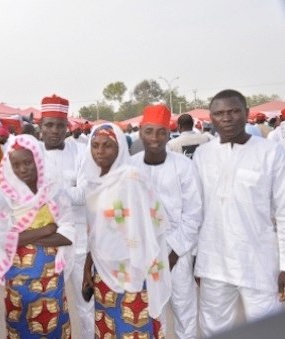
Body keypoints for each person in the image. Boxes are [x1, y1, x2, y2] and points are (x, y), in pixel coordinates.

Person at [193, 89, 285, 336]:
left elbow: (284, 212)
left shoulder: (271, 152)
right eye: (219, 113)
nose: (227, 118)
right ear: (211, 118)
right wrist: (194, 257)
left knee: (267, 328)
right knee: (213, 327)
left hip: (258, 261)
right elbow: (195, 211)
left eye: (234, 111)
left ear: (246, 114)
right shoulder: (202, 155)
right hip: (214, 261)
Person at [80, 123, 171, 339]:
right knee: (108, 327)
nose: (100, 152)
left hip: (133, 271)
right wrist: (87, 266)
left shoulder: (131, 178)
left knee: (132, 328)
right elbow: (94, 232)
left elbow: (151, 225)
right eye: (95, 146)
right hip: (103, 272)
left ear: (120, 147)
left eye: (107, 146)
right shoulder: (94, 182)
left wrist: (138, 262)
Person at [0, 134, 75, 338]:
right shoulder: (4, 194)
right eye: (16, 164)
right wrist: (46, 230)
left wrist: (23, 236)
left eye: (28, 162)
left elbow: (68, 233)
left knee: (53, 324)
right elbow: (2, 237)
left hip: (51, 276)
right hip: (17, 276)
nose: (22, 169)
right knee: (20, 325)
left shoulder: (53, 189)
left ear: (38, 159)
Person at [131, 105, 202, 339]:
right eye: (149, 131)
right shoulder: (130, 167)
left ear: (169, 133)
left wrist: (171, 253)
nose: (155, 138)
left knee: (185, 314)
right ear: (141, 131)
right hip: (143, 254)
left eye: (161, 132)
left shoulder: (184, 166)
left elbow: (193, 215)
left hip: (177, 253)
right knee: (151, 315)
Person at [39, 94, 95, 338]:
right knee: (48, 306)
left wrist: (48, 194)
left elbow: (86, 193)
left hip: (79, 241)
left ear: (67, 126)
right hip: (46, 243)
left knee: (87, 305)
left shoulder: (82, 152)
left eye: (60, 125)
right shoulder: (31, 154)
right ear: (41, 126)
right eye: (49, 124)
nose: (54, 130)